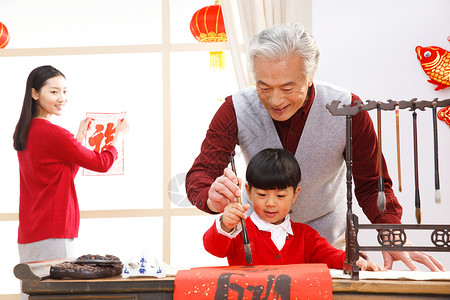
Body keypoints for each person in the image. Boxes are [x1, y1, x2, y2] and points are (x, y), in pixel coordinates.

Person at [186, 23, 445, 271]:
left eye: (288, 87)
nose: (275, 100)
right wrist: (210, 195)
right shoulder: (235, 108)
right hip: (258, 249)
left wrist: (390, 233)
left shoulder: (348, 109)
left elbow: (371, 184)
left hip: (330, 246)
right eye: (263, 87)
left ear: (310, 77)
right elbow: (201, 174)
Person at [13, 65, 129, 266]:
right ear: (35, 94)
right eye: (54, 91)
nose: (62, 98)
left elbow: (59, 174)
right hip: (53, 231)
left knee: (32, 294)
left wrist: (79, 139)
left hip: (30, 232)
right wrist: (118, 137)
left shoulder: (26, 131)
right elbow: (102, 163)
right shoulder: (54, 134)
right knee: (55, 295)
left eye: (65, 91)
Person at [204, 148, 383, 271]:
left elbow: (330, 255)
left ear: (295, 194)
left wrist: (354, 261)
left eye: (280, 196)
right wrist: (225, 225)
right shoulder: (238, 230)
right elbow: (214, 248)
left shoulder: (306, 236)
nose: (271, 203)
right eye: (262, 195)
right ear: (248, 192)